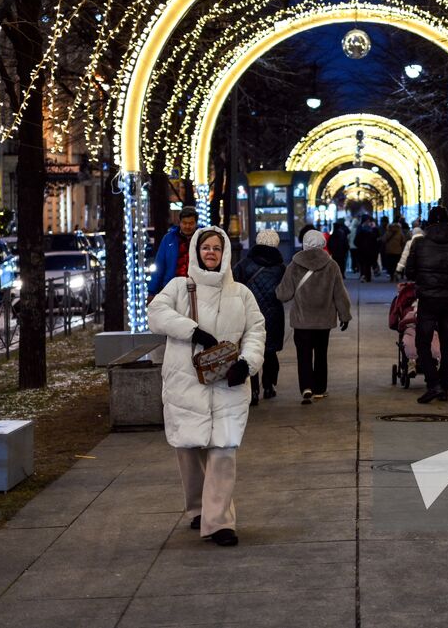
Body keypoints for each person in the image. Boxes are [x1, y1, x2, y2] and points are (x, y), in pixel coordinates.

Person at [147, 226, 266, 547]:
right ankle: (199, 508)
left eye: (216, 247)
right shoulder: (178, 287)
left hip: (229, 383)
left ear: (225, 252)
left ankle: (220, 522)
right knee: (189, 450)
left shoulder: (241, 293)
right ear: (197, 252)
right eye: (205, 247)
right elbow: (155, 314)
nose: (211, 252)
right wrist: (192, 330)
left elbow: (256, 330)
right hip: (186, 382)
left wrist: (247, 363)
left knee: (224, 451)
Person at [276, 229, 351, 404]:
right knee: (321, 354)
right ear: (322, 244)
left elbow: (283, 294)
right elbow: (340, 293)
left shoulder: (294, 265)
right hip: (323, 321)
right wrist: (344, 315)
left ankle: (306, 387)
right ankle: (319, 389)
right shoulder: (332, 265)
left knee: (303, 355)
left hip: (302, 322)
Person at [405, 206, 448, 404]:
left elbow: (409, 271)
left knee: (423, 343)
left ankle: (433, 384)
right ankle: (444, 388)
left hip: (427, 300)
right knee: (447, 344)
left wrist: (424, 280)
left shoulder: (419, 244)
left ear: (429, 222)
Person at [233, 230, 287, 405]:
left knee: (251, 349)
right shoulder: (280, 267)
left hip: (250, 313)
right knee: (270, 351)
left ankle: (253, 390)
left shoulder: (244, 264)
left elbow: (234, 286)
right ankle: (269, 386)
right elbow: (285, 291)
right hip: (273, 313)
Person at [148, 207, 199, 297]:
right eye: (184, 223)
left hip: (196, 290)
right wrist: (152, 291)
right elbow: (159, 265)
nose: (187, 226)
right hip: (171, 289)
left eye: (191, 223)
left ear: (196, 223)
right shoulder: (169, 239)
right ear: (179, 223)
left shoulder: (201, 239)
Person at [353, 217, 380, 283]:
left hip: (362, 250)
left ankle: (364, 276)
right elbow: (376, 240)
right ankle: (367, 277)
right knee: (367, 264)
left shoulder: (360, 231)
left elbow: (356, 241)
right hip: (369, 250)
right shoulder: (371, 231)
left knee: (363, 264)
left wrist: (359, 246)